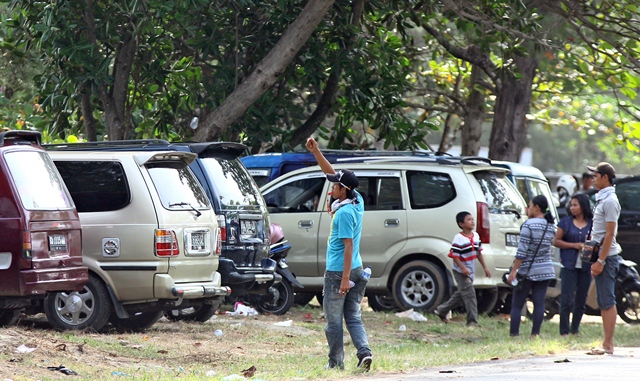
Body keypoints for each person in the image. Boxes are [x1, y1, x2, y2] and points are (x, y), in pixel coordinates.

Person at [305, 137, 372, 371]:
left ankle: (335, 364)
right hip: (357, 267)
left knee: (333, 322)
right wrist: (316, 153)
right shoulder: (356, 200)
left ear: (344, 190)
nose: (332, 188)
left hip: (339, 272)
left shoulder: (343, 214)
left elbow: (348, 247)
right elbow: (331, 173)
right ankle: (364, 353)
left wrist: (344, 278)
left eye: (335, 187)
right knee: (353, 317)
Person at [508, 195, 557, 337]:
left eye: (529, 206)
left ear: (536, 207)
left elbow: (522, 252)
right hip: (545, 269)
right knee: (539, 303)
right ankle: (535, 333)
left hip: (527, 271)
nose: (527, 209)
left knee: (517, 304)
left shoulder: (528, 225)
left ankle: (514, 334)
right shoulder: (551, 226)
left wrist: (514, 270)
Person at [434, 212, 491, 326]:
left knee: (461, 294)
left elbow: (478, 252)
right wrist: (463, 268)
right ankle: (472, 322)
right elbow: (455, 256)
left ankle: (441, 310)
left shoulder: (476, 236)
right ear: (461, 224)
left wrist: (485, 268)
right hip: (461, 271)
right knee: (470, 295)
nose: (472, 221)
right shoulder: (458, 238)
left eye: (472, 219)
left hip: (471, 271)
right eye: (469, 220)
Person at [587, 162, 621, 355]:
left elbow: (609, 234)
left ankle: (608, 344)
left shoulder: (610, 201)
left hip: (607, 257)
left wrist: (601, 260)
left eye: (596, 175)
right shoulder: (603, 199)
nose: (593, 179)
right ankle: (605, 342)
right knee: (602, 299)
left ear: (605, 177)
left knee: (607, 299)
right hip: (600, 255)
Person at [553, 193, 593, 336]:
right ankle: (564, 331)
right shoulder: (566, 222)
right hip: (569, 265)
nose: (572, 208)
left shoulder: (592, 223)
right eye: (571, 205)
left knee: (581, 300)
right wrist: (574, 245)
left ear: (583, 206)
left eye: (575, 205)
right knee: (566, 299)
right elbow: (556, 241)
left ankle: (575, 329)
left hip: (586, 266)